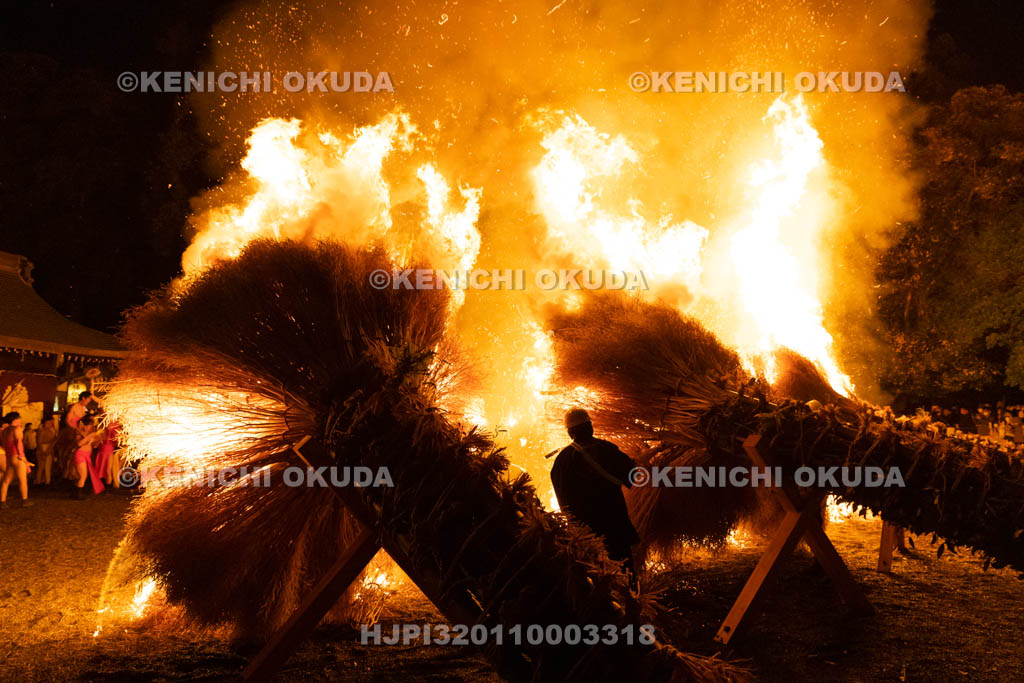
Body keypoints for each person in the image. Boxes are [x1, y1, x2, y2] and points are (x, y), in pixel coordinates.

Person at [550, 408, 639, 589]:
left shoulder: (561, 462)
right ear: (590, 427)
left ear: (570, 432)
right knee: (625, 572)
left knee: (594, 578)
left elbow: (562, 502)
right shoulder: (607, 450)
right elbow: (632, 476)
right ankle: (632, 605)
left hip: (585, 535)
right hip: (614, 528)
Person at [1, 412, 34, 508]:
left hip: (9, 457)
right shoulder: (17, 429)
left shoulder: (4, 431)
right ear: (15, 420)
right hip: (17, 457)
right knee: (23, 480)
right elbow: (19, 442)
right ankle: (24, 500)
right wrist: (22, 457)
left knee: (6, 481)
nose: (21, 420)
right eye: (19, 418)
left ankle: (2, 501)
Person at [72, 416, 102, 499]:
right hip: (80, 454)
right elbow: (79, 444)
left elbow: (95, 446)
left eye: (92, 424)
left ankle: (76, 492)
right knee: (83, 475)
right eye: (89, 424)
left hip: (87, 455)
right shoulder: (79, 433)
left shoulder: (91, 434)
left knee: (81, 475)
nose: (91, 426)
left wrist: (96, 440)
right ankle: (78, 495)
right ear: (84, 425)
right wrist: (88, 438)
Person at [34, 415, 58, 486]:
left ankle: (47, 481)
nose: (50, 424)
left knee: (48, 466)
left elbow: (53, 440)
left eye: (51, 423)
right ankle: (39, 482)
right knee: (41, 466)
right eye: (48, 423)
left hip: (49, 448)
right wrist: (43, 452)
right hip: (43, 448)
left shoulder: (52, 430)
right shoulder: (42, 431)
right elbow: (39, 442)